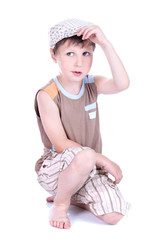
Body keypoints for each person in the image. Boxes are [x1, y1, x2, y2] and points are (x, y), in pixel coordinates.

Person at [34, 19, 130, 229]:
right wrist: (102, 159)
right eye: (70, 54)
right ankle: (60, 203)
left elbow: (122, 83)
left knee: (114, 215)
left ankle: (75, 198)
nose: (79, 63)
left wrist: (105, 44)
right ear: (54, 55)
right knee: (85, 154)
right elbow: (60, 144)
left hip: (89, 169)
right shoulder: (48, 94)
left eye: (86, 54)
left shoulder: (91, 84)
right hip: (57, 169)